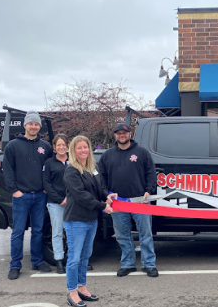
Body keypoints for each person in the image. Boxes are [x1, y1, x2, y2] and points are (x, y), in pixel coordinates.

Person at [100, 123, 158, 278]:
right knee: (122, 235)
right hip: (117, 202)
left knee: (145, 234)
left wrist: (149, 191)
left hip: (140, 201)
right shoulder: (107, 155)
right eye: (118, 133)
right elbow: (101, 179)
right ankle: (128, 263)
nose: (122, 135)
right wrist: (106, 194)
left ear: (130, 134)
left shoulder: (142, 153)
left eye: (124, 133)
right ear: (115, 135)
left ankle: (149, 264)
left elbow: (151, 173)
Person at [3, 111, 53, 280]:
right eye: (31, 124)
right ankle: (15, 265)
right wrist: (14, 190)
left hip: (40, 196)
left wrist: (46, 188)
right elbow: (7, 170)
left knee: (38, 231)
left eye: (36, 124)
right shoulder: (13, 145)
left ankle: (37, 261)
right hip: (21, 196)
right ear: (25, 125)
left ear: (39, 126)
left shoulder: (45, 147)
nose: (33, 126)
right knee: (18, 231)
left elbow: (50, 168)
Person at [63, 135, 106, 307]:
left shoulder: (91, 167)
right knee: (74, 257)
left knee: (85, 256)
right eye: (79, 148)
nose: (83, 150)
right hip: (76, 220)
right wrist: (103, 206)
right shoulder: (71, 170)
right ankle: (72, 291)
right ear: (73, 150)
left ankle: (82, 287)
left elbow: (99, 188)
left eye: (86, 147)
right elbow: (82, 196)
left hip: (91, 219)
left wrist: (108, 196)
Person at [43, 134, 69, 274]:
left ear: (67, 146)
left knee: (72, 232)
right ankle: (59, 260)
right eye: (58, 145)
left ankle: (73, 259)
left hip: (73, 202)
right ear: (54, 147)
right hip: (55, 203)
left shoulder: (73, 161)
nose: (61, 147)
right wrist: (59, 199)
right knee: (57, 232)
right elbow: (46, 183)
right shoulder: (49, 163)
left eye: (63, 144)